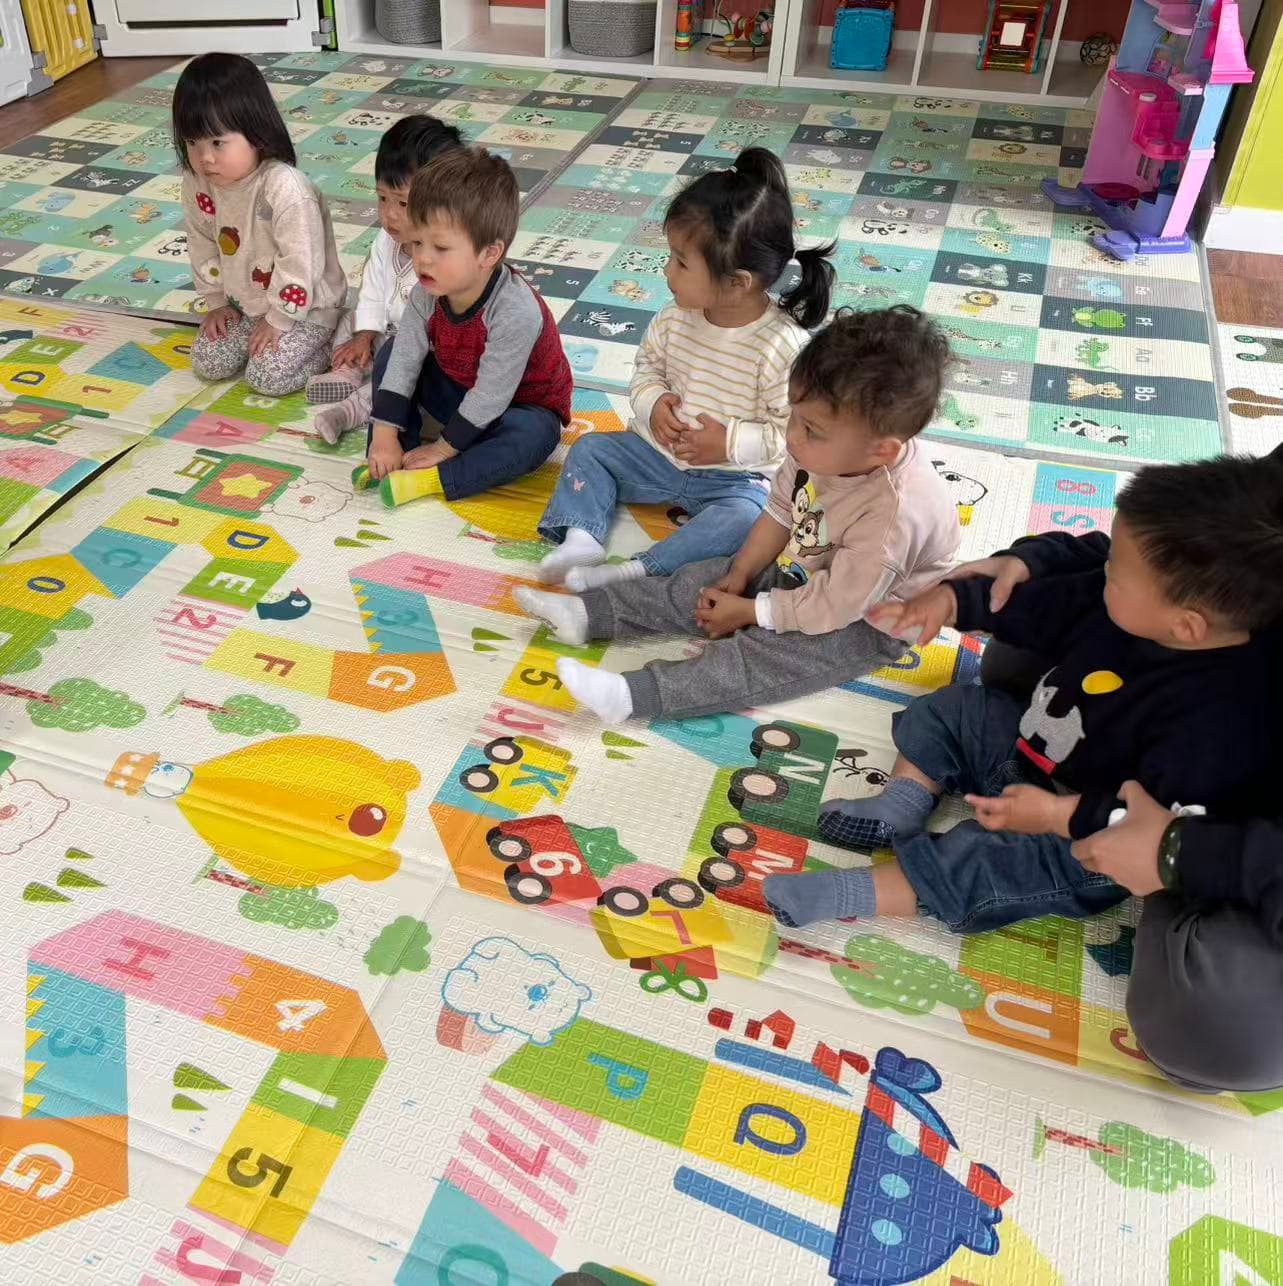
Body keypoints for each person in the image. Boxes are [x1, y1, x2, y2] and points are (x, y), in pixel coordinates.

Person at [762, 457, 1283, 1013]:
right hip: (1038, 751)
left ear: (1186, 625)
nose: (1104, 568)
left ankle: (856, 892)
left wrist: (1058, 816)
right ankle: (902, 803)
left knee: (1004, 864)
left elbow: (1145, 822)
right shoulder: (1126, 600)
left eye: (1116, 572)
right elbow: (1049, 601)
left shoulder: (1218, 723)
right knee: (955, 708)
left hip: (1096, 829)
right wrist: (953, 601)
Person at [945, 453, 1283, 1095]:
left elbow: (1156, 570)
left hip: (1224, 809)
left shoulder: (1212, 735)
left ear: (1189, 629)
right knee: (1019, 649)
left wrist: (1177, 850)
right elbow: (1169, 546)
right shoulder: (1242, 544)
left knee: (1219, 1027)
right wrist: (1034, 562)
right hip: (1197, 766)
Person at [514, 306, 960, 725]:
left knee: (769, 656)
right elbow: (780, 510)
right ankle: (588, 614)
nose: (792, 436)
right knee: (706, 577)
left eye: (810, 429)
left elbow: (836, 605)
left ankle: (633, 696)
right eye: (794, 416)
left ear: (881, 451)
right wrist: (742, 572)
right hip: (808, 568)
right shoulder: (818, 447)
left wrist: (751, 611)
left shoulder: (893, 517)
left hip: (871, 616)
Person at [535, 148, 835, 592]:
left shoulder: (782, 347)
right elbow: (647, 369)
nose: (666, 270)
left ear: (737, 282)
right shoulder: (674, 317)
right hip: (657, 456)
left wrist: (728, 443)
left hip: (735, 479)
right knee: (591, 449)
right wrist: (654, 403)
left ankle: (637, 570)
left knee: (750, 518)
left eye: (680, 262)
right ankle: (582, 539)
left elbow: (791, 435)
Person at [354, 146, 573, 506]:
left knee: (532, 437)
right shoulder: (428, 291)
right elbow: (405, 360)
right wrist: (383, 435)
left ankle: (434, 478)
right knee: (392, 352)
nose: (423, 258)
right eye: (417, 242)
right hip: (461, 393)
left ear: (489, 253)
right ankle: (392, 459)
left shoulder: (515, 310)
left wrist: (443, 449)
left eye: (440, 247)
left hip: (518, 407)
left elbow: (491, 395)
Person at [175, 52, 348, 397]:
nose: (204, 157)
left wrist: (278, 320)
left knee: (267, 377)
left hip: (306, 309)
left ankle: (335, 337)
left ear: (255, 133)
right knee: (207, 362)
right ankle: (263, 328)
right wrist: (217, 303)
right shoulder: (197, 183)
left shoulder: (286, 188)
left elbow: (299, 263)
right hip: (247, 305)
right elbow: (201, 242)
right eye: (192, 142)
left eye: (218, 142)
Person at [309, 115, 463, 443]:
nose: (389, 214)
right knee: (348, 317)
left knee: (398, 381)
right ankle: (349, 371)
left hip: (418, 352)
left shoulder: (446, 257)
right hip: (383, 334)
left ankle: (348, 411)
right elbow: (373, 290)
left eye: (403, 202)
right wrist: (364, 335)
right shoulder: (385, 240)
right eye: (382, 198)